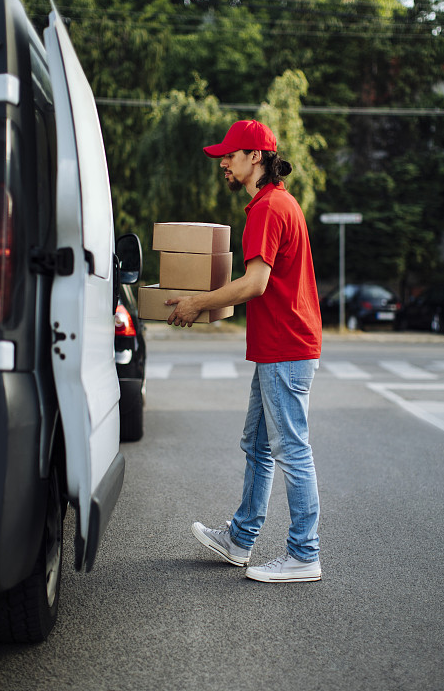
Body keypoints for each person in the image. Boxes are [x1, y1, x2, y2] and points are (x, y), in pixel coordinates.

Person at [166, 120, 322, 583]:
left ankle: (303, 554)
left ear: (256, 156)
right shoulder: (276, 203)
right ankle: (240, 539)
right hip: (280, 346)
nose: (223, 165)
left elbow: (255, 284)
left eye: (229, 157)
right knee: (257, 446)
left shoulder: (268, 208)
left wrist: (196, 302)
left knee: (291, 450)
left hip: (285, 348)